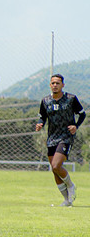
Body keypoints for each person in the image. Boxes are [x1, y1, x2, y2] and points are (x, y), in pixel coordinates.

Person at [35, 74, 85, 206]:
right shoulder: (45, 101)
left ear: (63, 85)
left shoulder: (71, 99)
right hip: (52, 137)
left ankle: (71, 185)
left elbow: (82, 114)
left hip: (66, 136)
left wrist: (76, 126)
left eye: (57, 83)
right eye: (53, 83)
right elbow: (42, 117)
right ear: (50, 85)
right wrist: (40, 124)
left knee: (56, 165)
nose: (55, 85)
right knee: (54, 170)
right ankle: (67, 200)